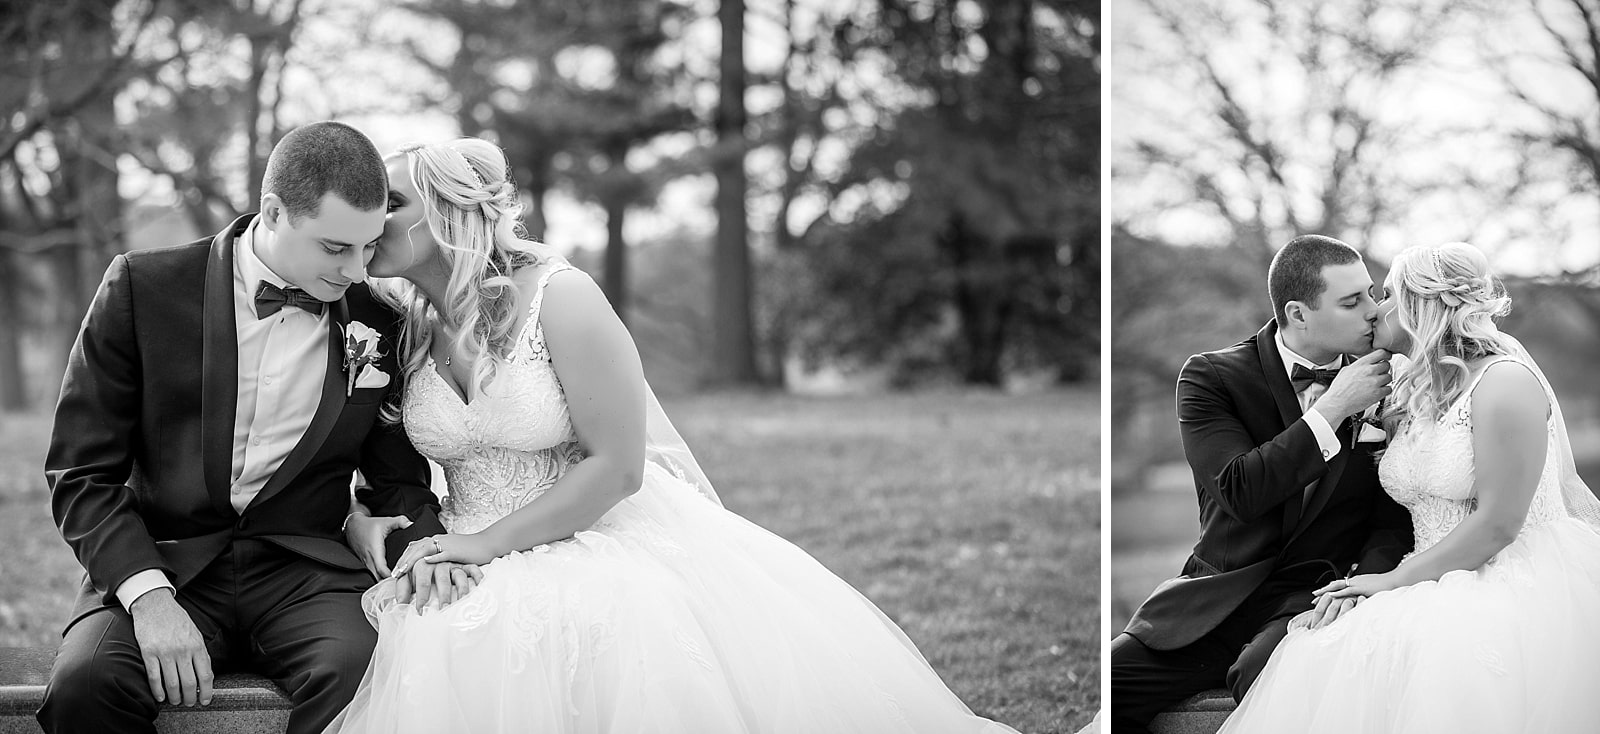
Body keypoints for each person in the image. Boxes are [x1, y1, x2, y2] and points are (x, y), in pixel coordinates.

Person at [321, 137, 1020, 733]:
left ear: (448, 211)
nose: (375, 217)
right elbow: (387, 464)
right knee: (441, 636)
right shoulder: (401, 324)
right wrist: (427, 539)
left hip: (586, 531)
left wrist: (485, 545)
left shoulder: (561, 299)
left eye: (394, 202)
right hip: (463, 542)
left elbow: (619, 466)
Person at [39, 121, 451, 734]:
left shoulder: (379, 320)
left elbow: (397, 480)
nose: (358, 271)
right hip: (164, 564)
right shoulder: (142, 288)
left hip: (304, 572)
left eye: (369, 247)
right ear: (273, 211)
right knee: (85, 687)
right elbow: (81, 472)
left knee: (370, 674)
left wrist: (423, 551)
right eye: (336, 248)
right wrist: (147, 598)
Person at [1215, 242, 1600, 732]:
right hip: (1423, 571)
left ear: (1424, 306)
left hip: (1504, 575)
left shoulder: (1505, 385)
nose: (1376, 309)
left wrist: (1388, 583)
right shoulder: (1414, 388)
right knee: (1317, 649)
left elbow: (1500, 524)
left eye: (1389, 294)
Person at [1110, 235, 1413, 734]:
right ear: (1298, 313)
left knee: (1268, 681)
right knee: (1115, 682)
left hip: (1316, 598)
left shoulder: (1391, 382)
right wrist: (1334, 406)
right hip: (1213, 602)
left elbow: (1394, 517)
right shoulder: (1211, 378)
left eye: (1372, 293)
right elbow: (1241, 490)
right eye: (1351, 301)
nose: (1373, 311)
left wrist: (1361, 587)